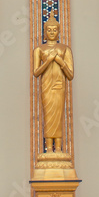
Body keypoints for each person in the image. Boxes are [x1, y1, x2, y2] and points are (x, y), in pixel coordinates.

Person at [33, 14, 74, 153]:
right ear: (45, 32)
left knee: (58, 116)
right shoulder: (39, 49)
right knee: (48, 116)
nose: (51, 32)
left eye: (54, 30)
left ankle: (58, 149)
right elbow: (36, 72)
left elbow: (70, 75)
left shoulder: (65, 49)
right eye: (49, 30)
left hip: (59, 86)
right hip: (46, 87)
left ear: (59, 31)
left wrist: (61, 62)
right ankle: (49, 150)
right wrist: (49, 60)